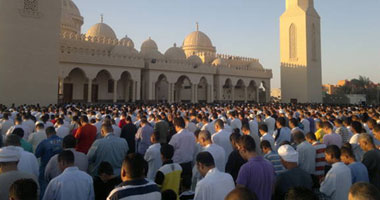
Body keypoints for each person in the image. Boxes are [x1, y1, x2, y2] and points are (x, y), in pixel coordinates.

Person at [236, 135, 275, 200]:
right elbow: (272, 190)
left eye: (238, 149)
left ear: (242, 149)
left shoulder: (245, 168)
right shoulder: (269, 165)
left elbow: (239, 194)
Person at [35, 126, 63, 195]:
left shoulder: (44, 142)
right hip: (62, 167)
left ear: (46, 134)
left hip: (45, 168)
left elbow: (37, 154)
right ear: (55, 132)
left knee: (44, 189)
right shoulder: (63, 140)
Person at [169, 117, 196, 182]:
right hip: (189, 164)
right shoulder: (192, 135)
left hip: (178, 165)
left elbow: (170, 149)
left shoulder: (176, 136)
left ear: (177, 126)